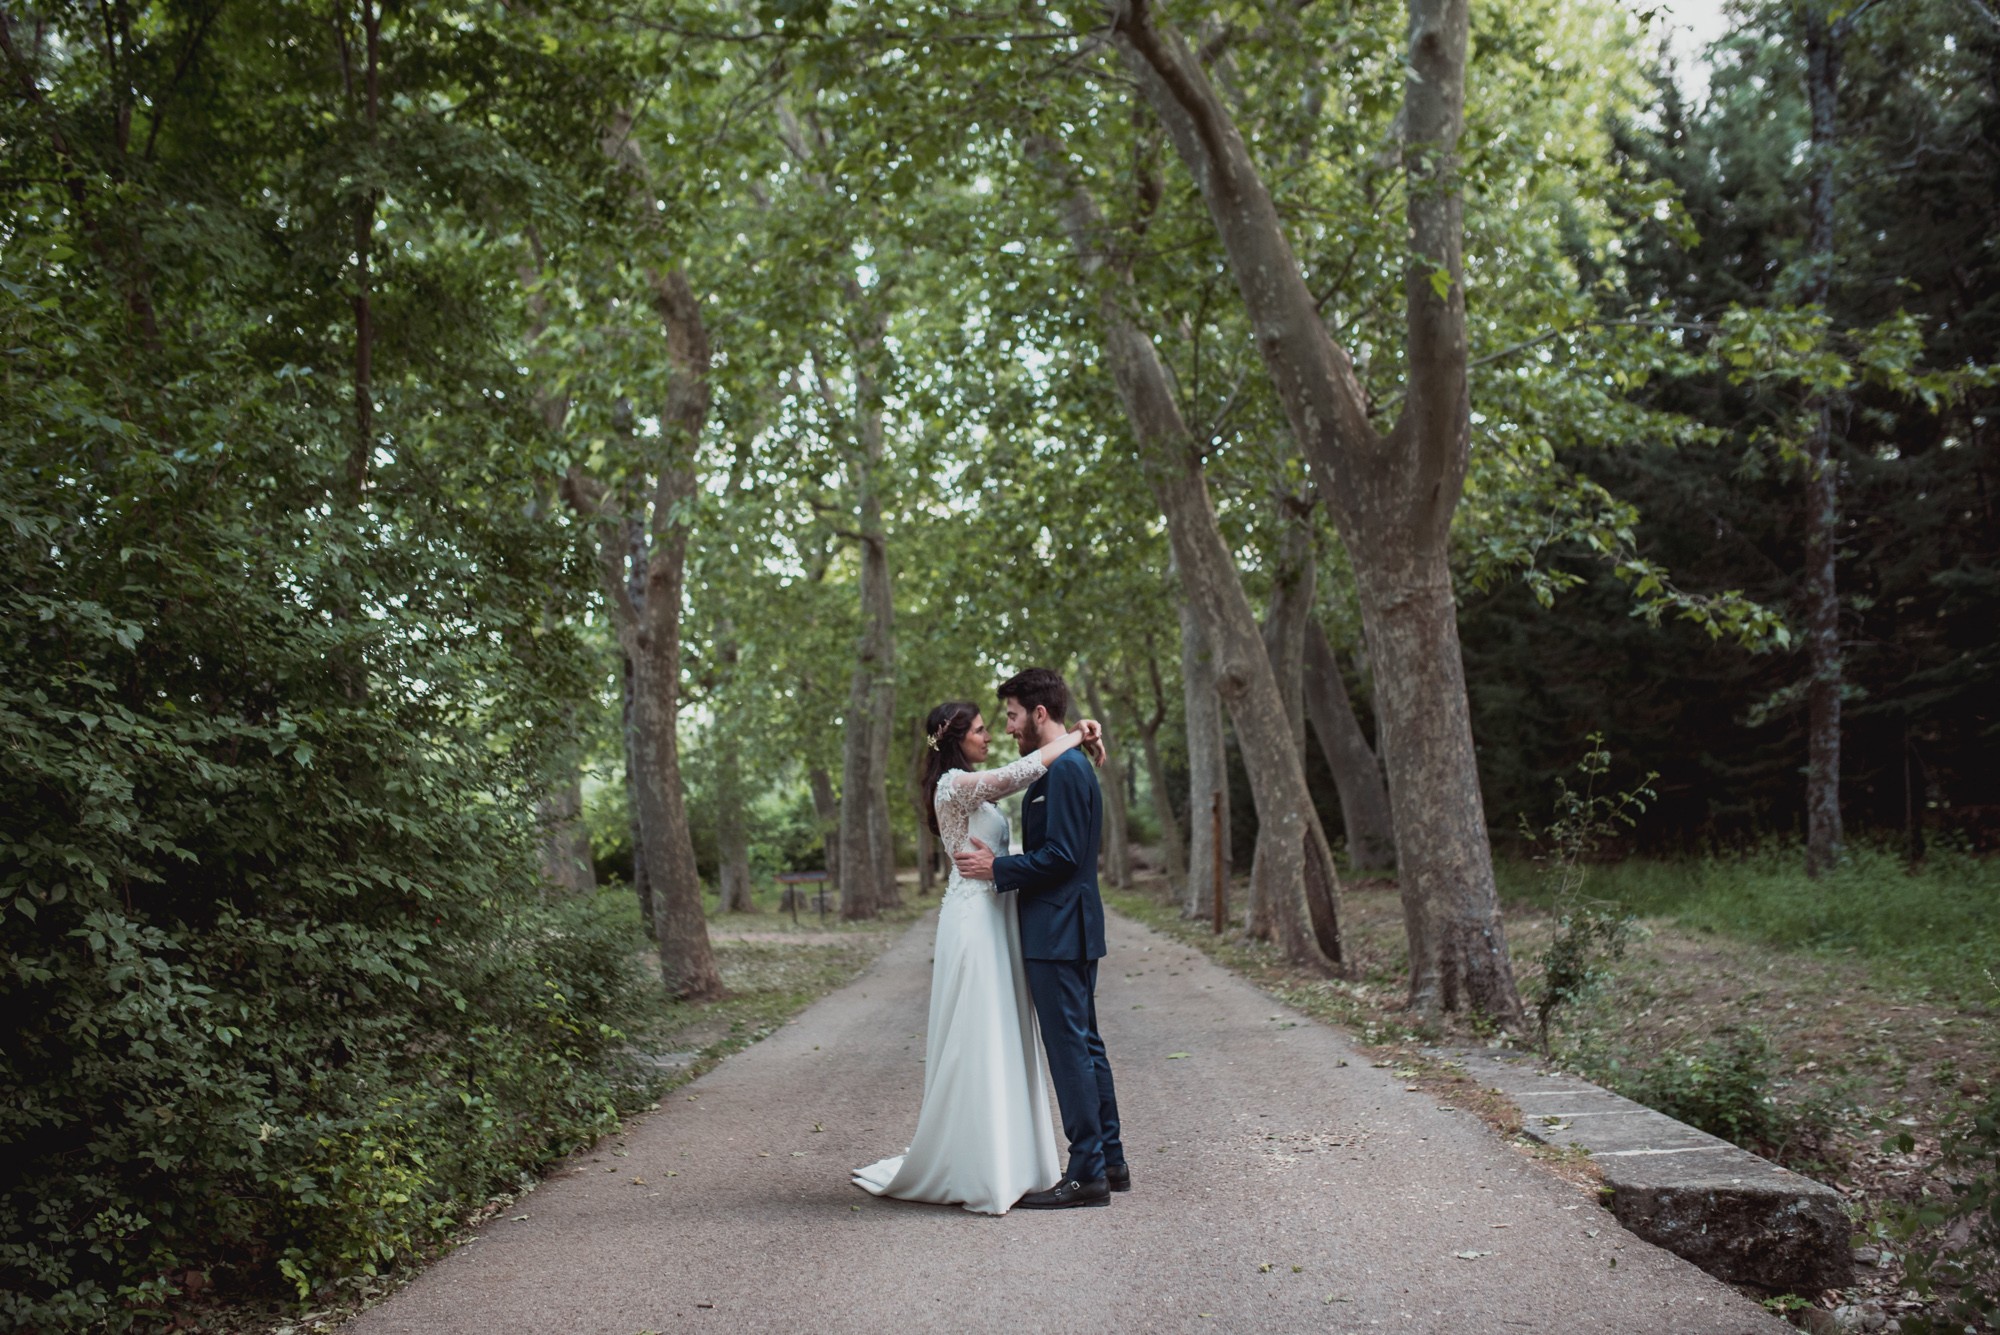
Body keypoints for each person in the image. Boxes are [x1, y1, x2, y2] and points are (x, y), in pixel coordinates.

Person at [851, 700, 1104, 1215]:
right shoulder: (952, 785)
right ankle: (979, 1163)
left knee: (1005, 1032)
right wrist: (1077, 734)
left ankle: (1014, 1159)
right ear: (956, 738)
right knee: (979, 1032)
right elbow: (1021, 772)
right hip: (973, 921)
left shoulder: (968, 785)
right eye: (981, 730)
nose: (990, 736)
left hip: (999, 918)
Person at [952, 667, 1128, 1210]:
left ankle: (1087, 1173)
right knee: (1085, 1045)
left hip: (1059, 930)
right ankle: (1111, 1162)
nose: (1008, 727)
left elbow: (1063, 856)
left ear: (1039, 713)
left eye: (1011, 716)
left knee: (1071, 1049)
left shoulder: (1066, 772)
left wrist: (998, 869)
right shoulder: (1058, 766)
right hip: (1066, 927)